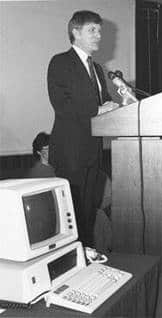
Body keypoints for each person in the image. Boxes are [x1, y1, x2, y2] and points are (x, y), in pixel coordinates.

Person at [47, 10, 119, 247]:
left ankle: (86, 257)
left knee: (88, 216)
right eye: (92, 30)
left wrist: (113, 106)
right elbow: (62, 104)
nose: (99, 35)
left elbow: (105, 101)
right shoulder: (60, 62)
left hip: (93, 152)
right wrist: (99, 109)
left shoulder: (97, 69)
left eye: (99, 30)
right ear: (75, 32)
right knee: (72, 218)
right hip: (71, 152)